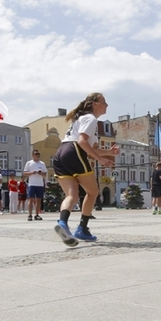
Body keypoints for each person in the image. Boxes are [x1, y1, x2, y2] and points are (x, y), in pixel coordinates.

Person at [52, 93, 118, 246]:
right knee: (93, 191)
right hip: (74, 151)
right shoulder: (90, 118)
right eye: (104, 102)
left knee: (72, 195)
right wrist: (101, 160)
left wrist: (108, 152)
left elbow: (91, 147)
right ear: (95, 103)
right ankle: (82, 228)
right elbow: (82, 142)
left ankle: (62, 223)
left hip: (61, 153)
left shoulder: (83, 119)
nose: (107, 105)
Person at [23, 150, 47, 220]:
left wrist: (41, 173)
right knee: (31, 199)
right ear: (33, 155)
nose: (38, 155)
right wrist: (31, 173)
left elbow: (45, 174)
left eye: (39, 154)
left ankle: (37, 214)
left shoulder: (42, 164)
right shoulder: (29, 163)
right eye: (36, 154)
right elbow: (24, 173)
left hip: (40, 184)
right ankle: (30, 215)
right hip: (32, 184)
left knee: (38, 200)